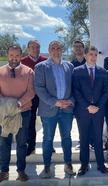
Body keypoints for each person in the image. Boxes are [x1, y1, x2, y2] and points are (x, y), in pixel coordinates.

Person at [34, 41, 75, 178]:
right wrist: (55, 102)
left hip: (67, 110)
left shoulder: (69, 66)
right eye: (53, 48)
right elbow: (39, 89)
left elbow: (75, 87)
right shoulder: (40, 67)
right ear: (49, 50)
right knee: (48, 138)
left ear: (62, 50)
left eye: (58, 48)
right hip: (49, 109)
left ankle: (68, 163)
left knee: (67, 138)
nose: (56, 50)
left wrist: (71, 101)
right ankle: (46, 166)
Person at [0, 44, 35, 182]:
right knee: (4, 142)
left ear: (21, 55)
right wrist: (5, 105)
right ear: (7, 55)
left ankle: (21, 170)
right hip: (4, 114)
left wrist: (18, 104)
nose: (14, 58)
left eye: (17, 55)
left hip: (23, 112)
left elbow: (31, 91)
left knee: (21, 143)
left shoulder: (29, 71)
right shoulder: (0, 71)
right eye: (11, 55)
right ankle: (4, 171)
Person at [73, 46, 108, 175]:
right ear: (85, 55)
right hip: (83, 111)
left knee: (98, 138)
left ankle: (101, 164)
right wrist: (88, 106)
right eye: (90, 54)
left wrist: (97, 106)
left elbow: (106, 92)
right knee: (84, 139)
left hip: (98, 111)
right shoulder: (77, 71)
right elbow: (76, 91)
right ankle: (84, 165)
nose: (93, 57)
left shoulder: (103, 72)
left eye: (95, 55)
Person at [21, 39, 47, 156]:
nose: (35, 49)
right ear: (28, 49)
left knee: (46, 122)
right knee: (30, 122)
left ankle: (48, 146)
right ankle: (31, 146)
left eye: (37, 47)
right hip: (29, 97)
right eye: (32, 47)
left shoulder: (45, 61)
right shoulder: (22, 62)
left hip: (43, 97)